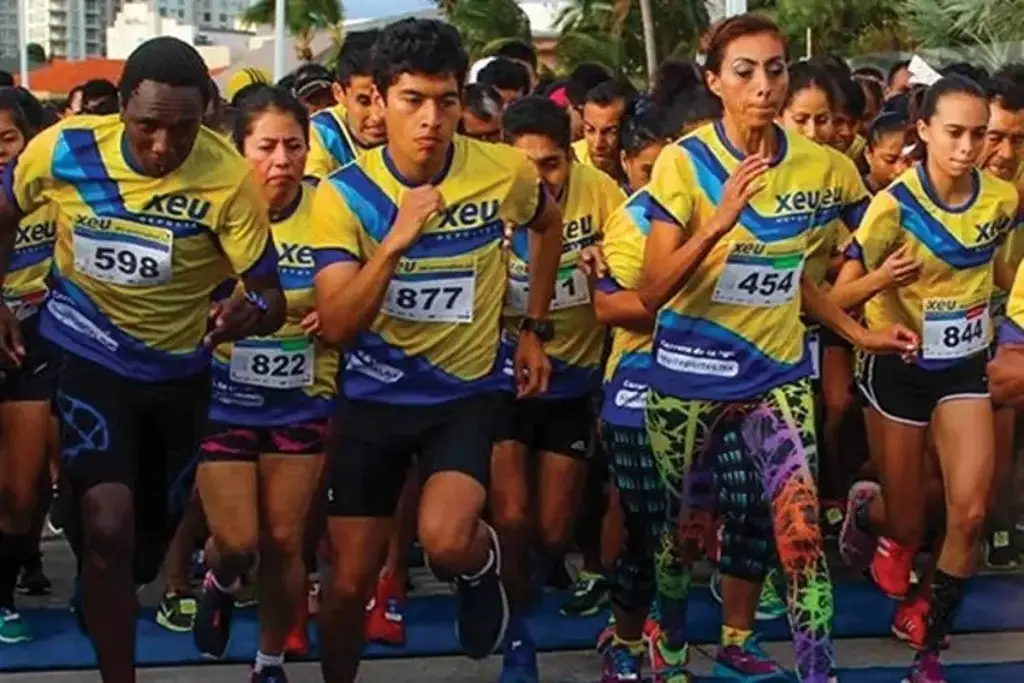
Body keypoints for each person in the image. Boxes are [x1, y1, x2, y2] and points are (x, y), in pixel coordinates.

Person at [0, 37, 286, 683]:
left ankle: (104, 587)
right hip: (87, 352)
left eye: (182, 130)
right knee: (108, 523)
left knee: (142, 552)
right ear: (122, 107)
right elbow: (6, 210)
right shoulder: (66, 149)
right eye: (147, 126)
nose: (162, 147)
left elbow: (268, 297)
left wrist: (252, 312)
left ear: (209, 115)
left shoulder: (227, 180)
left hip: (178, 373)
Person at [640, 15, 916, 683]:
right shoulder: (684, 163)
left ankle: (818, 673)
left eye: (775, 69)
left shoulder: (823, 167)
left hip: (777, 375)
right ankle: (666, 640)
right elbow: (651, 289)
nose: (763, 85)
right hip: (688, 380)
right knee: (683, 539)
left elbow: (807, 271)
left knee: (800, 540)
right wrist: (718, 224)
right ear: (715, 82)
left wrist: (859, 331)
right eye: (745, 71)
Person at [309, 19, 563, 683]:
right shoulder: (344, 196)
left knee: (447, 541)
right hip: (372, 400)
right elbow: (335, 324)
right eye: (413, 100)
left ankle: (478, 572)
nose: (431, 119)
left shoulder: (502, 171)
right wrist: (395, 240)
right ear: (378, 102)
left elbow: (548, 222)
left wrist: (533, 326)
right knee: (347, 585)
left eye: (446, 102)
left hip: (462, 395)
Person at [837, 75, 1019, 683]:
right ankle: (868, 515)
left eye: (979, 135)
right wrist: (881, 283)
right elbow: (837, 298)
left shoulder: (1002, 199)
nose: (968, 148)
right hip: (900, 368)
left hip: (965, 366)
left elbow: (1001, 273)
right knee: (910, 521)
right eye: (955, 134)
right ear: (924, 131)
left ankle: (930, 645)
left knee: (971, 513)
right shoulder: (894, 206)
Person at [190, 86, 337, 683]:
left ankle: (269, 662)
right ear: (238, 149)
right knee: (240, 538)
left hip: (304, 394)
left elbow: (360, 284)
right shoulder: (212, 205)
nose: (283, 160)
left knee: (284, 541)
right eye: (267, 147)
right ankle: (219, 576)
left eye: (294, 146)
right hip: (224, 397)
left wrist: (340, 308)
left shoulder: (333, 207)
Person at [490, 95, 623, 683]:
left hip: (573, 377)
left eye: (551, 165)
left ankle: (510, 578)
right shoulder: (484, 199)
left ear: (569, 158)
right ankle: (515, 635)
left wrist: (607, 269)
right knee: (514, 518)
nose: (539, 180)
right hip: (498, 375)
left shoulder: (603, 194)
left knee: (548, 532)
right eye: (526, 167)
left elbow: (635, 274)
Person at [0, 89, 57, 644]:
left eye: (7, 140)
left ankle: (5, 594)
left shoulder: (56, 192)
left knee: (22, 489)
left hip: (36, 345)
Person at [304, 30, 386, 179]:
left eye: (384, 100)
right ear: (339, 93)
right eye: (364, 101)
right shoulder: (321, 132)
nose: (377, 116)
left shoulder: (417, 127)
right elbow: (313, 196)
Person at [574, 80, 634, 184]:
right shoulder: (572, 161)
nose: (598, 144)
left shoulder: (642, 163)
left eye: (610, 132)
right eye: (590, 130)